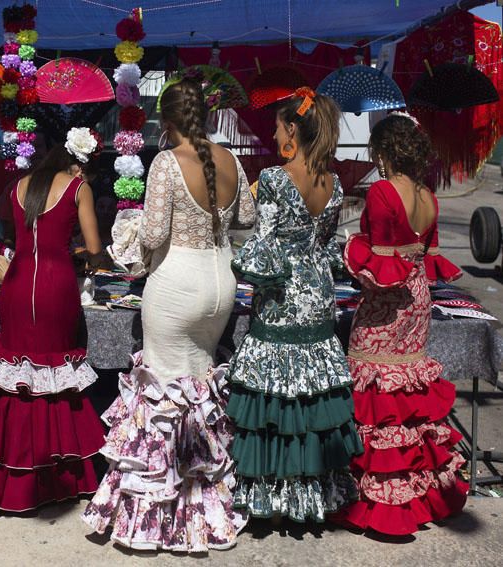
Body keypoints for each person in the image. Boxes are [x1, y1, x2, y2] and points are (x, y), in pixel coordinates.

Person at [83, 77, 253, 552]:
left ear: (169, 120)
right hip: (220, 282)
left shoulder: (166, 161)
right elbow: (247, 219)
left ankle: (161, 518)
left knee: (162, 394)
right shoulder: (230, 159)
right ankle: (203, 505)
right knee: (198, 390)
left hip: (177, 282)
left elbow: (154, 234)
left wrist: (129, 233)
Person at [226, 88, 363, 523]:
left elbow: (263, 242)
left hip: (282, 291)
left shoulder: (274, 178)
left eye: (278, 124)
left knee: (277, 391)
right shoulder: (334, 181)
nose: (273, 129)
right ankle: (315, 491)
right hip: (319, 291)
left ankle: (274, 496)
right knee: (311, 389)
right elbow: (325, 242)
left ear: (293, 129)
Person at [0, 127, 106, 512]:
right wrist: (90, 259)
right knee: (54, 380)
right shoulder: (78, 188)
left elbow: (15, 234)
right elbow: (94, 249)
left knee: (17, 379)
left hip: (17, 284)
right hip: (57, 288)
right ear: (78, 163)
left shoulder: (19, 186)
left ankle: (6, 476)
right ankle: (55, 477)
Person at [337, 112, 467, 535]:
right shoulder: (429, 194)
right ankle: (417, 492)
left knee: (375, 393)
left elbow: (376, 256)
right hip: (417, 299)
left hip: (385, 302)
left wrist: (350, 245)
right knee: (408, 392)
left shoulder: (381, 191)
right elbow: (423, 254)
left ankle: (378, 501)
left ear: (383, 151)